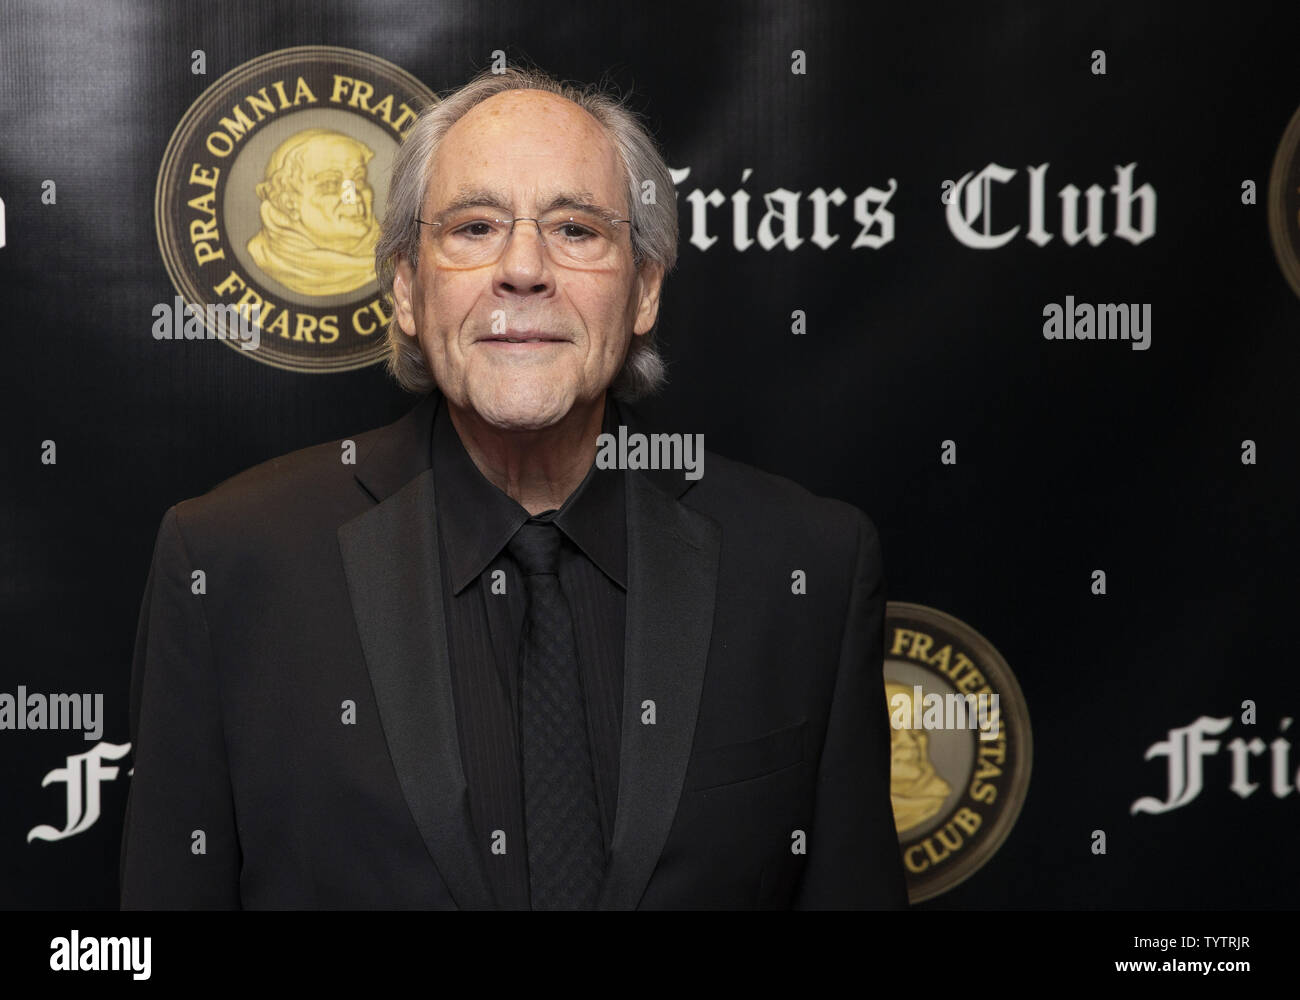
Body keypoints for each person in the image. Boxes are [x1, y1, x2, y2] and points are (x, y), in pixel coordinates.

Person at [120, 64, 908, 910]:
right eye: (474, 226)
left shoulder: (806, 566)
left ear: (644, 288)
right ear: (405, 289)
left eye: (575, 229)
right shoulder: (231, 563)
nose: (523, 269)